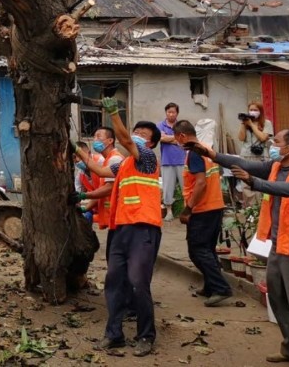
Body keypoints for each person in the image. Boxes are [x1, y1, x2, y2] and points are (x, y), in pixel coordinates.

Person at [184, 129, 289, 367]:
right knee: (278, 301)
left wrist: (254, 183)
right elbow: (241, 163)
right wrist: (211, 153)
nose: (272, 144)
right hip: (279, 248)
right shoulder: (275, 167)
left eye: (277, 142)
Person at [81, 99, 162, 357]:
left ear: (149, 144)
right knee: (114, 282)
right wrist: (78, 150)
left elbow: (126, 141)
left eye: (141, 135)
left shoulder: (147, 159)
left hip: (143, 229)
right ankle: (114, 334)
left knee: (138, 283)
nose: (136, 137)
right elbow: (96, 168)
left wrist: (114, 113)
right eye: (135, 132)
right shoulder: (123, 164)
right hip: (121, 229)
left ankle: (146, 336)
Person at [173, 119, 233, 307]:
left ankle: (221, 287)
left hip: (202, 208)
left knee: (197, 251)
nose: (176, 142)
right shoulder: (206, 148)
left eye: (176, 138)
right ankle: (210, 286)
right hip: (215, 206)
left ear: (182, 136)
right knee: (207, 249)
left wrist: (187, 209)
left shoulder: (193, 153)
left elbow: (200, 183)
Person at [237, 101, 274, 206]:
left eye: (255, 110)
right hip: (246, 157)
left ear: (260, 112)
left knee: (259, 184)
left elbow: (263, 137)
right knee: (246, 185)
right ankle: (250, 211)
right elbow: (241, 138)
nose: (252, 112)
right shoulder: (246, 123)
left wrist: (252, 125)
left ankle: (260, 209)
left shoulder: (266, 123)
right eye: (251, 110)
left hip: (261, 158)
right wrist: (243, 124)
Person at [157, 102, 185, 221]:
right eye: (169, 112)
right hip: (167, 161)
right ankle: (169, 212)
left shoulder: (182, 125)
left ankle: (186, 210)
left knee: (186, 187)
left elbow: (184, 140)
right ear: (166, 112)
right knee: (168, 188)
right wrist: (175, 138)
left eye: (173, 112)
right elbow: (160, 138)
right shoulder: (160, 125)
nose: (171, 114)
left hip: (182, 160)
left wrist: (167, 138)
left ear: (177, 113)